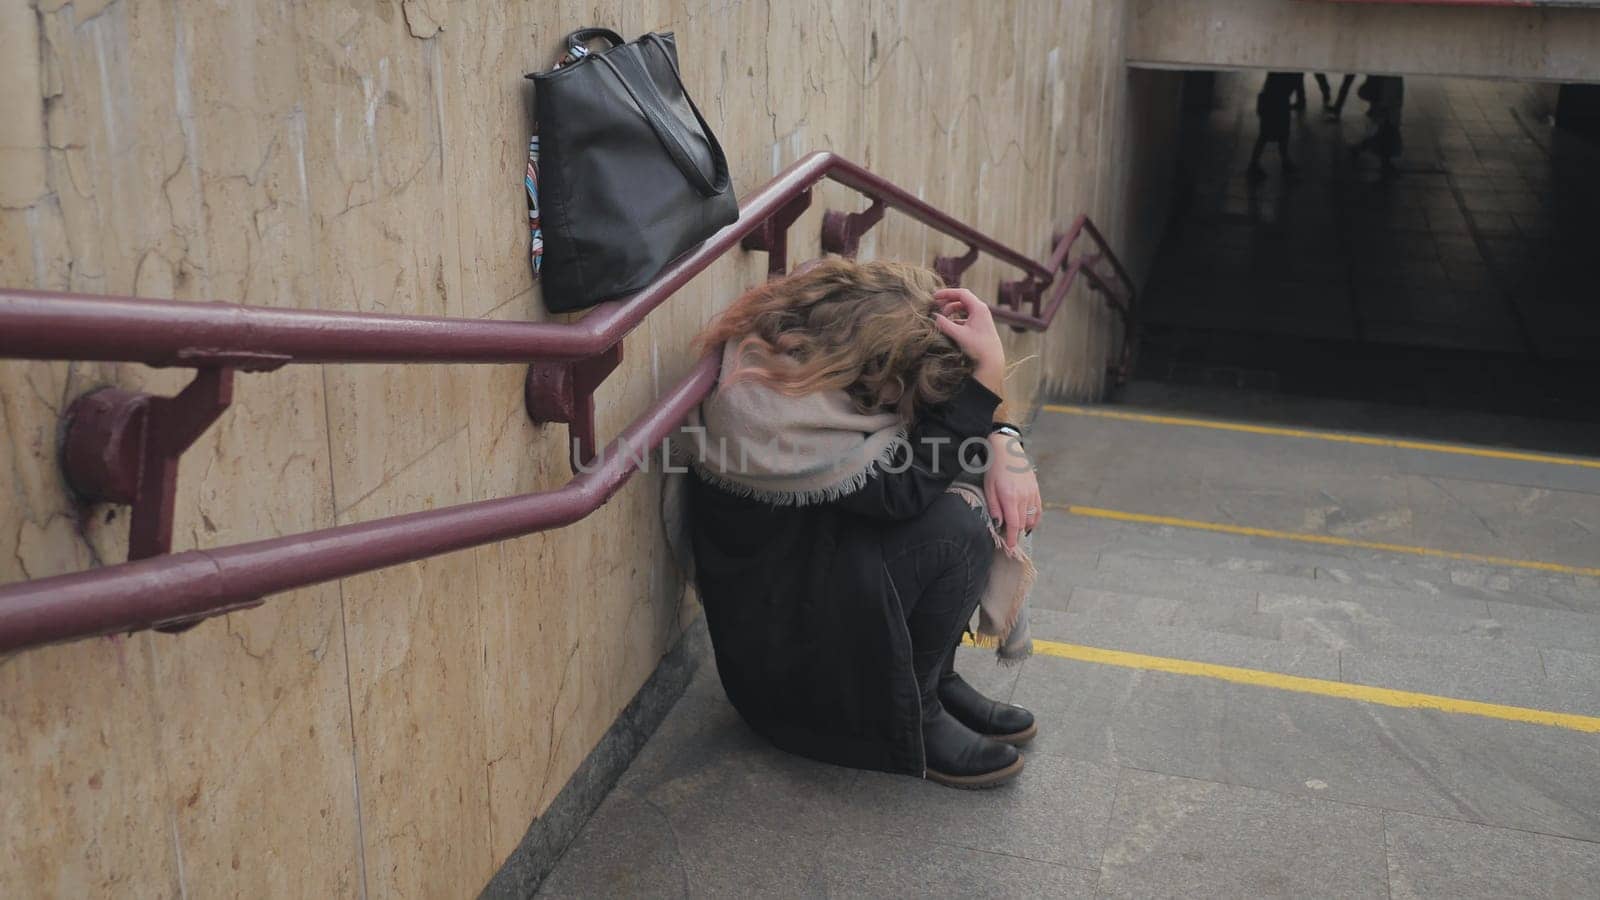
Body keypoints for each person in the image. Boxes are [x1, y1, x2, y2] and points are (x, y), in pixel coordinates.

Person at [675, 259, 1040, 789]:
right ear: (870, 354)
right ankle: (908, 715)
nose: (903, 398)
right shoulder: (761, 405)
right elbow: (903, 490)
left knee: (973, 474)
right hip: (786, 657)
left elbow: (940, 425)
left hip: (818, 574)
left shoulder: (822, 364)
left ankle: (932, 680)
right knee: (955, 528)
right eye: (904, 384)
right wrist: (985, 386)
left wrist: (1004, 438)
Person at [1250, 72, 1301, 179]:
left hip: (1272, 99)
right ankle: (1284, 161)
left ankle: (1254, 163)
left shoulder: (1276, 74)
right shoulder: (1290, 73)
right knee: (1282, 134)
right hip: (1279, 101)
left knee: (1265, 135)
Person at [1350, 75, 1405, 173]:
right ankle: (1384, 160)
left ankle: (1362, 148)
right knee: (1385, 132)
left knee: (1379, 130)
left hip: (1384, 107)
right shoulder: (1394, 79)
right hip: (1388, 108)